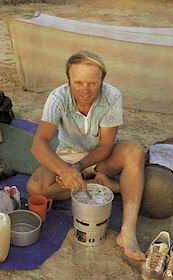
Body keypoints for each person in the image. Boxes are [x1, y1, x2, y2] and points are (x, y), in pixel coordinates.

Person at [27, 51, 145, 261]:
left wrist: (78, 168)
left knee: (135, 152)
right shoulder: (58, 97)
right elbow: (39, 143)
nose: (85, 90)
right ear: (68, 80)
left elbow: (106, 145)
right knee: (35, 188)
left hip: (99, 158)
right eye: (78, 82)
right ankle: (101, 185)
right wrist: (64, 169)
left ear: (102, 80)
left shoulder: (112, 96)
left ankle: (128, 232)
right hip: (68, 156)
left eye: (92, 83)